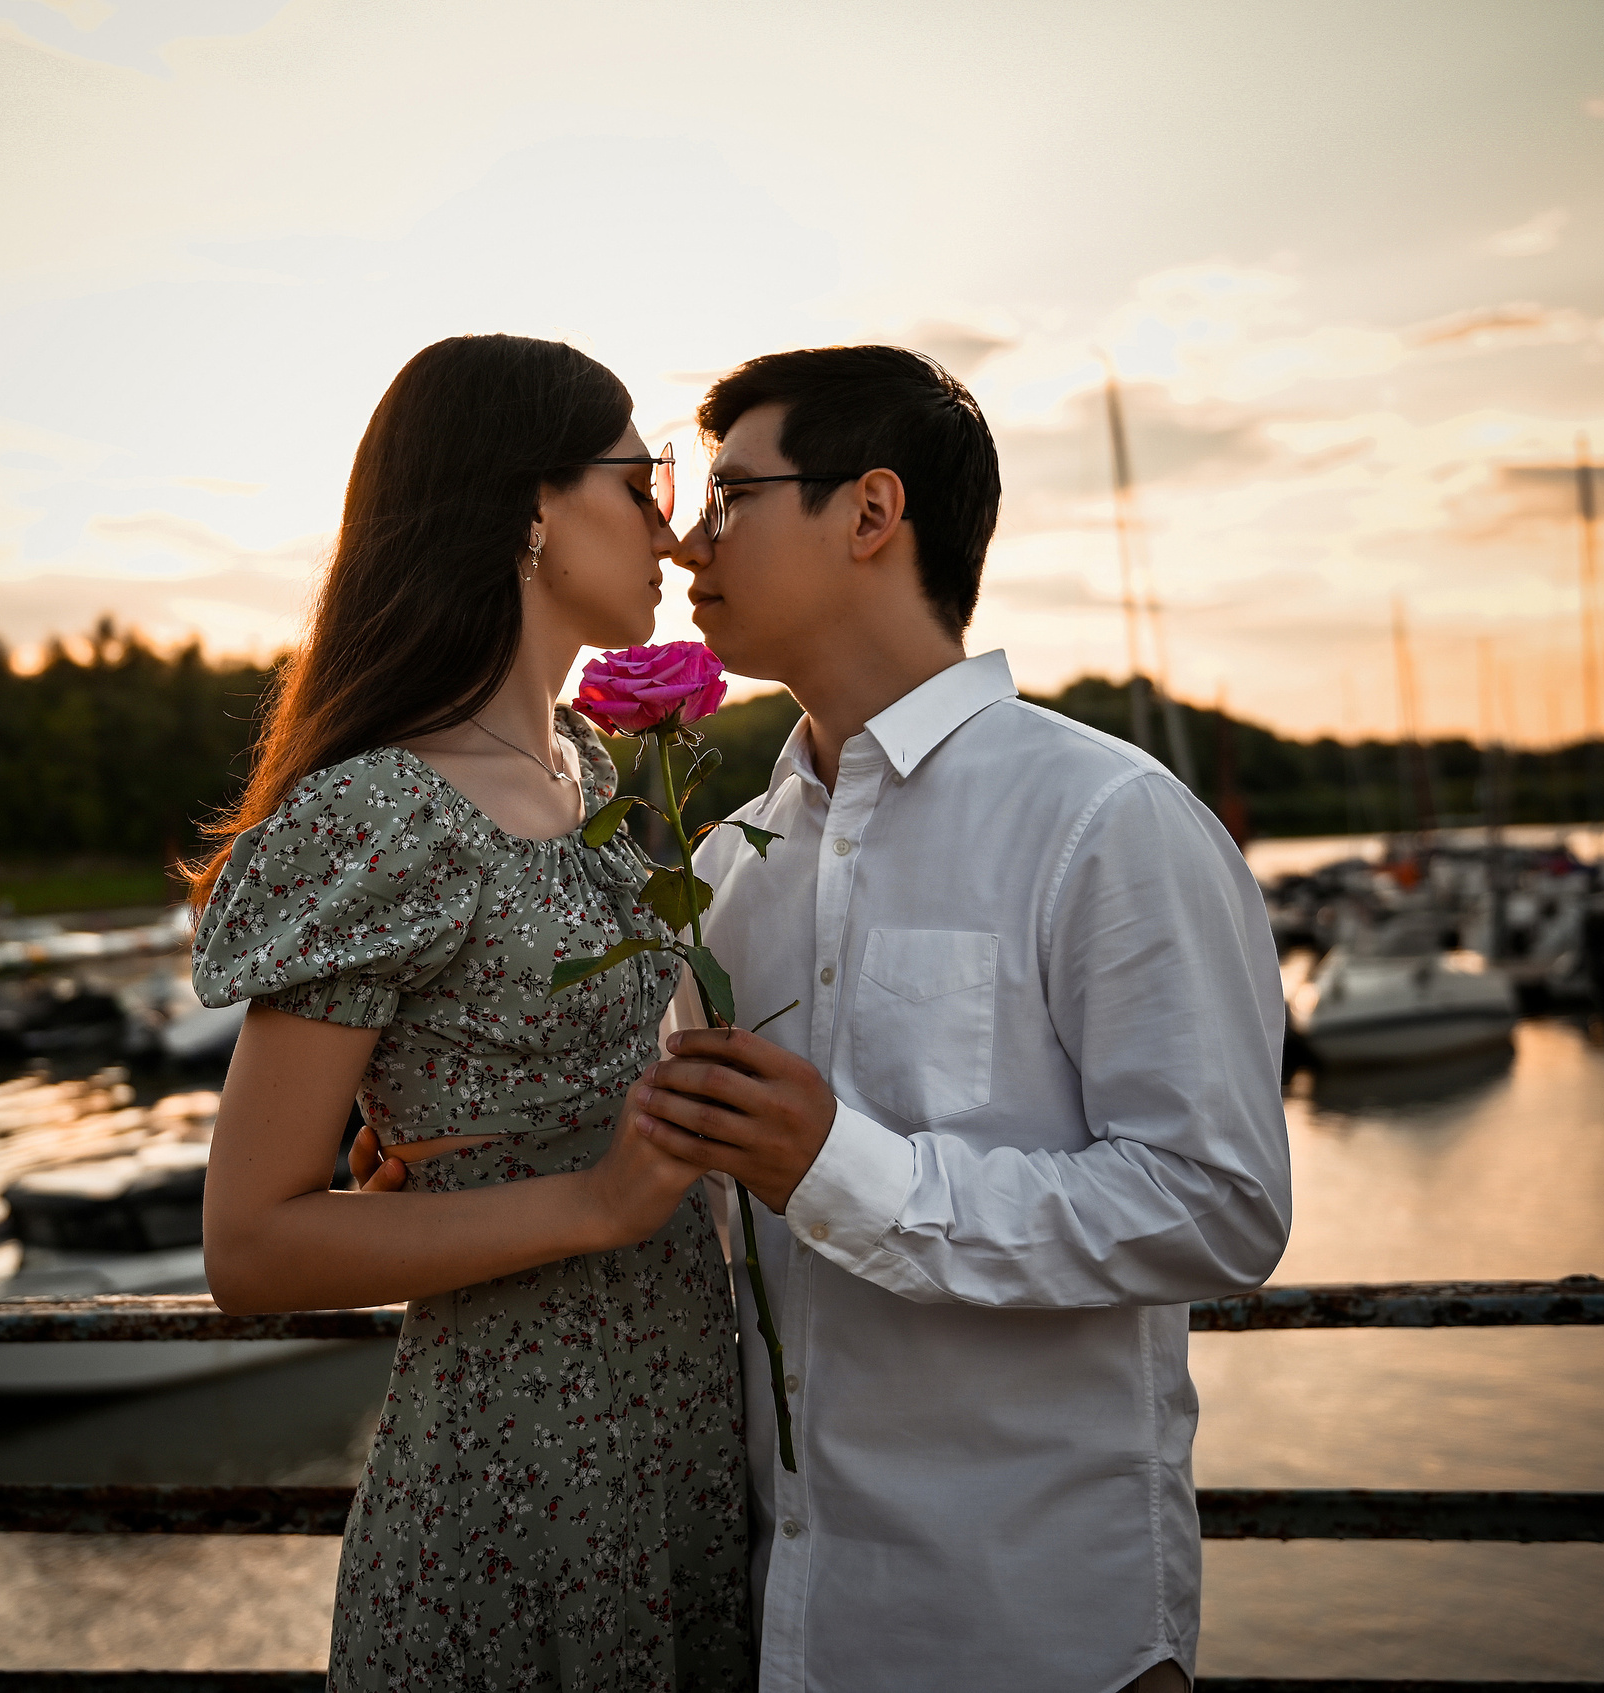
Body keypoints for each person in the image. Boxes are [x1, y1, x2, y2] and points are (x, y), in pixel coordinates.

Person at [629, 346, 1292, 1691]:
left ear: (872, 512)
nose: (689, 542)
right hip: (784, 1630)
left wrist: (847, 1169)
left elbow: (1223, 1205)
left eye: (733, 496)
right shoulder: (730, 867)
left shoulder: (1106, 819)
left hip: (1036, 1629)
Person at [188, 334, 752, 1691]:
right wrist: (594, 1202)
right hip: (519, 1470)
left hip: (682, 1432)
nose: (669, 528)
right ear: (529, 506)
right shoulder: (384, 810)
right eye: (642, 479)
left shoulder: (589, 768)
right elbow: (249, 1244)